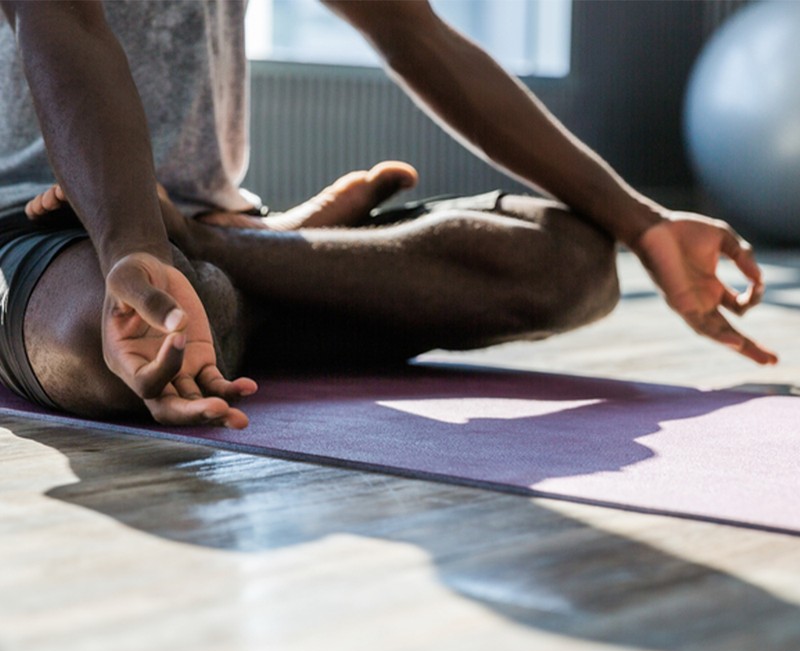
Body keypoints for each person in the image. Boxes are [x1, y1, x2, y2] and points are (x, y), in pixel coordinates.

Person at [0, 0, 776, 429]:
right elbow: (59, 16)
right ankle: (227, 282)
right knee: (109, 342)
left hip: (216, 227)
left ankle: (220, 260)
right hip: (42, 219)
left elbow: (413, 31)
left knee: (571, 261)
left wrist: (642, 223)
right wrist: (134, 240)